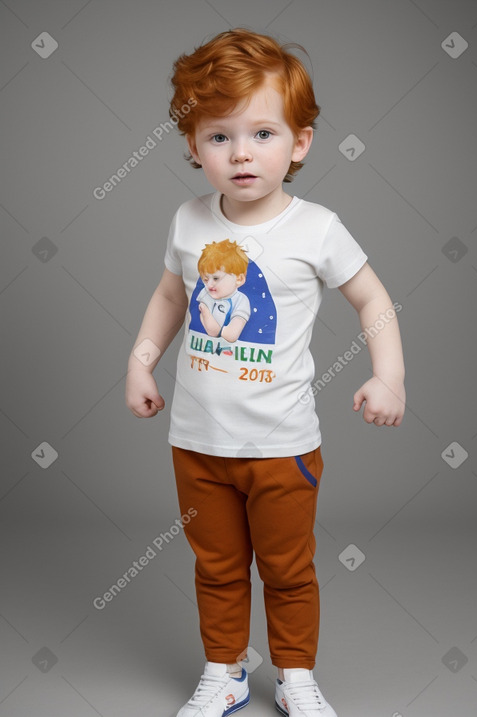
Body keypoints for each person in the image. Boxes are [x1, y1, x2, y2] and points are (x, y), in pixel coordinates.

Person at [125, 27, 406, 717]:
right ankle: (223, 671)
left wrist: (388, 374)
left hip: (282, 447)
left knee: (286, 569)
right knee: (217, 566)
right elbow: (170, 297)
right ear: (193, 148)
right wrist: (139, 361)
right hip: (197, 443)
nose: (241, 153)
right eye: (219, 136)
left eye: (262, 133)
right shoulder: (189, 221)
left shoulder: (316, 228)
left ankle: (294, 674)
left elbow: (373, 298)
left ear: (300, 143)